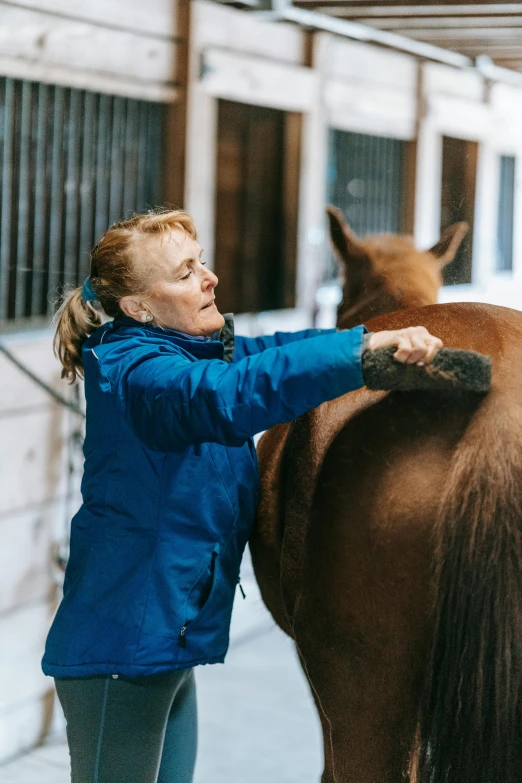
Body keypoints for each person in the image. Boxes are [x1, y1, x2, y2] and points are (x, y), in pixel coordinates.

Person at [43, 209, 442, 783]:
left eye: (200, 261)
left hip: (164, 645)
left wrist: (368, 340)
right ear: (139, 308)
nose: (209, 278)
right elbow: (227, 395)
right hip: (120, 651)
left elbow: (278, 350)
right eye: (185, 272)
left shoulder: (191, 351)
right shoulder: (140, 376)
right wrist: (360, 356)